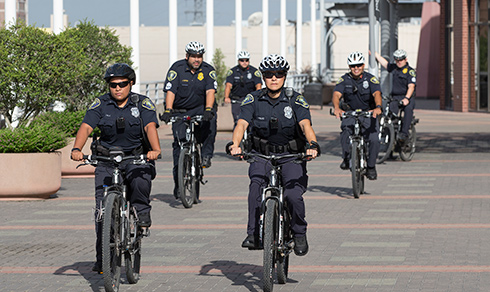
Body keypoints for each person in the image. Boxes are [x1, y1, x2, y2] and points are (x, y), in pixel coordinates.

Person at [71, 63, 161, 273]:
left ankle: (141, 211)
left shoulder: (142, 103)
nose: (117, 88)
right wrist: (77, 148)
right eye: (113, 85)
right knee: (102, 210)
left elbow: (150, 126)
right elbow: (86, 126)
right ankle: (103, 258)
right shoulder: (100, 104)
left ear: (131, 83)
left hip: (135, 156)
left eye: (122, 84)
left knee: (140, 180)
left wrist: (155, 149)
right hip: (106, 158)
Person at [228, 54, 320, 256]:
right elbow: (241, 124)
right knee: (255, 189)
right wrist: (235, 145)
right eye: (269, 74)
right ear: (263, 76)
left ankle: (298, 233)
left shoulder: (295, 99)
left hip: (292, 155)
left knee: (293, 195)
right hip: (261, 155)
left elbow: (306, 125)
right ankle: (253, 234)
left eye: (279, 74)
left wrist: (312, 145)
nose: (274, 78)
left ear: (285, 76)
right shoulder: (254, 99)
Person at [159, 41, 218, 199]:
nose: (197, 59)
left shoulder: (208, 70)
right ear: (187, 56)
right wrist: (168, 110)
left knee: (211, 122)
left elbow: (210, 91)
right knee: (179, 148)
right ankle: (179, 185)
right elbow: (170, 91)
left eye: (199, 56)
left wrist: (208, 110)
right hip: (180, 111)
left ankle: (206, 154)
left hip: (201, 108)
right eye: (193, 56)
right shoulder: (177, 69)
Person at [332, 51, 382, 180]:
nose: (356, 68)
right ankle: (347, 158)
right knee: (345, 132)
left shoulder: (370, 79)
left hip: (368, 113)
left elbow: (377, 94)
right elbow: (337, 94)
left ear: (363, 65)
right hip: (350, 113)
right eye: (353, 66)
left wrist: (377, 107)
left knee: (374, 139)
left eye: (359, 65)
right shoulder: (344, 79)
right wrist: (337, 108)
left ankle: (371, 166)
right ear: (349, 67)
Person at [374, 49, 416, 142]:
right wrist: (375, 54)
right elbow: (385, 64)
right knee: (390, 115)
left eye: (401, 60)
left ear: (405, 59)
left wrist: (406, 98)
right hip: (395, 97)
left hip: (407, 97)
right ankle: (391, 138)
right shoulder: (394, 68)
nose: (399, 62)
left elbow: (411, 87)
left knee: (408, 110)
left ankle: (404, 134)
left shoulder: (410, 71)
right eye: (397, 60)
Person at [224, 50, 262, 126]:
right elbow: (228, 85)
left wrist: (258, 97)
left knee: (251, 121)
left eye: (246, 60)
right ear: (238, 61)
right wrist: (226, 97)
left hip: (250, 98)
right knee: (237, 120)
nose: (244, 62)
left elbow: (258, 86)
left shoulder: (254, 71)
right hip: (237, 99)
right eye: (242, 60)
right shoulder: (233, 71)